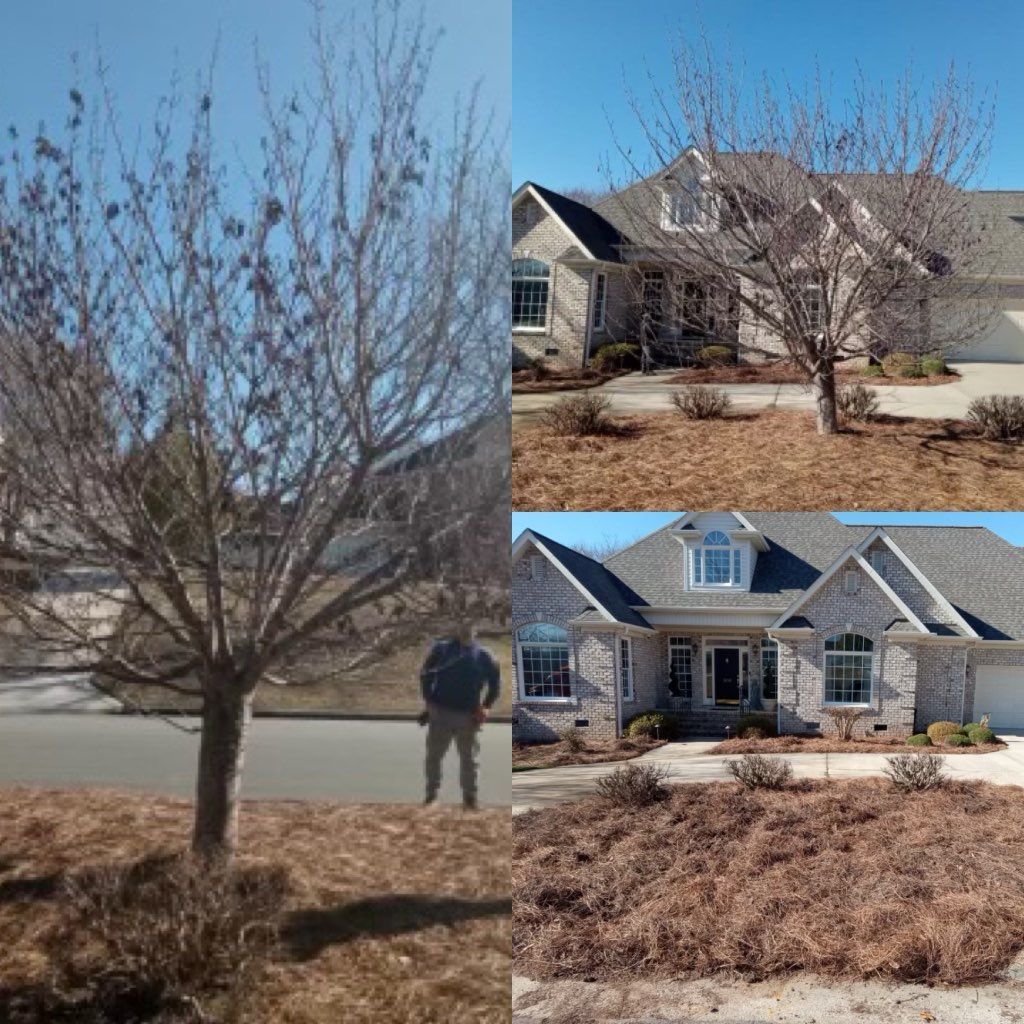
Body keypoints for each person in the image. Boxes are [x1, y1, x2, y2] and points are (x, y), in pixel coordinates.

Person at [419, 621, 500, 809]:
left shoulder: (484, 656)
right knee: (434, 757)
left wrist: (486, 706)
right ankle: (431, 797)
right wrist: (429, 702)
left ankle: (470, 800)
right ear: (455, 628)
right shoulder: (440, 650)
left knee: (469, 760)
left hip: (469, 716)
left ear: (475, 630)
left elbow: (495, 685)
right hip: (440, 713)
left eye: (470, 626)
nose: (465, 630)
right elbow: (425, 675)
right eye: (462, 625)